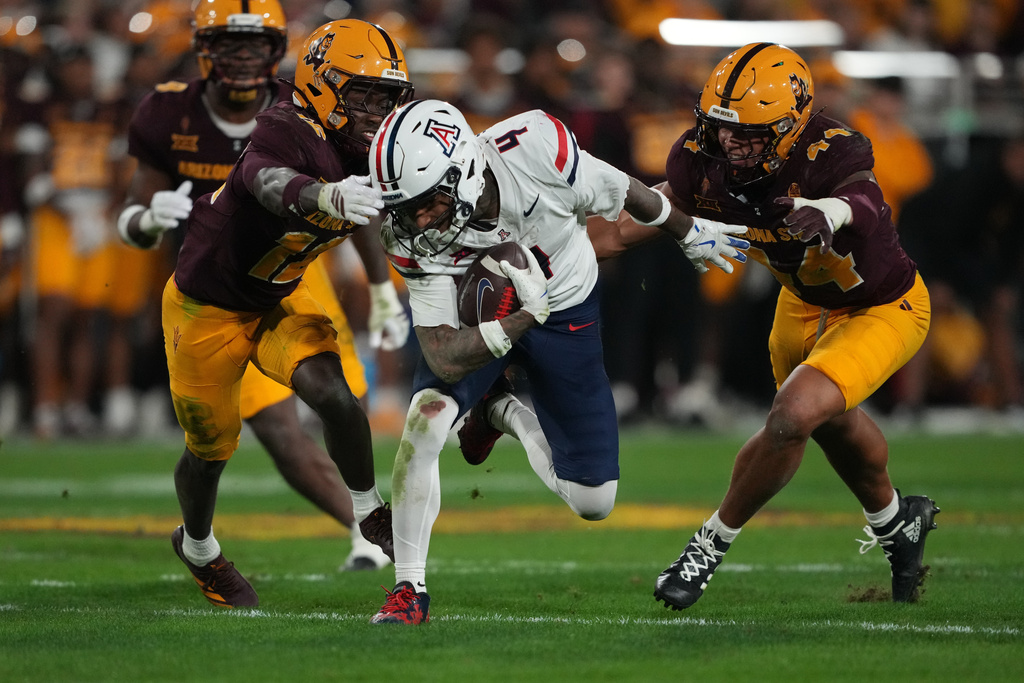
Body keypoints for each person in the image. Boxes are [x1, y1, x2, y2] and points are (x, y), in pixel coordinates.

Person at [365, 98, 750, 624]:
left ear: (465, 171)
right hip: (479, 317)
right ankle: (409, 589)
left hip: (567, 312)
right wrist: (516, 320)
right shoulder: (409, 234)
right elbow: (441, 353)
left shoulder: (536, 148)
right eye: (405, 209)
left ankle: (501, 414)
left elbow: (629, 192)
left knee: (593, 500)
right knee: (426, 419)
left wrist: (687, 232)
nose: (418, 222)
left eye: (426, 204)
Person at [593, 43, 939, 607]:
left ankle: (709, 543)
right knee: (826, 424)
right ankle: (898, 521)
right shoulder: (701, 163)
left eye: (751, 133)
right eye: (723, 128)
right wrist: (534, 260)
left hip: (881, 306)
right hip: (801, 304)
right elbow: (622, 230)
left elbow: (866, 198)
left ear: (791, 125)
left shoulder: (830, 149)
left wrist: (832, 210)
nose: (732, 143)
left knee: (792, 416)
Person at [118, 1, 405, 575]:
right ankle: (199, 543)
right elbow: (267, 180)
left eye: (257, 44)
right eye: (230, 43)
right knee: (220, 445)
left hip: (294, 273)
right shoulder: (249, 120)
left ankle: (365, 521)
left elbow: (369, 207)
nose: (246, 57)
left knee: (338, 395)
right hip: (212, 293)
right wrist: (146, 222)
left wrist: (382, 289)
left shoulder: (354, 130)